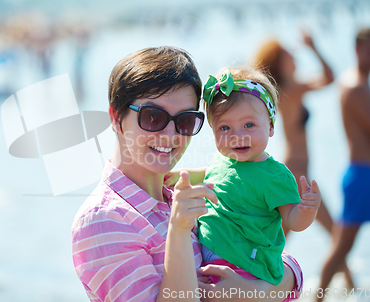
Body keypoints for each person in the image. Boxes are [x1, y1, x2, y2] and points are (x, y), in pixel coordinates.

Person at [72, 46, 303, 302]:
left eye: (184, 120)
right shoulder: (105, 220)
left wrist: (255, 292)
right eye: (152, 117)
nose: (170, 136)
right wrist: (179, 231)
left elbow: (276, 261)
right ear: (116, 117)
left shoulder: (180, 196)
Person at [166, 67, 321, 287]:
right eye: (225, 127)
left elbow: (292, 220)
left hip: (247, 264)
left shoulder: (275, 176)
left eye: (249, 125)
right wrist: (177, 175)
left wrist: (307, 210)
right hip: (211, 255)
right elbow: (209, 174)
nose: (237, 136)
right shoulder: (223, 160)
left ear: (270, 126)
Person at [252, 32, 354, 287]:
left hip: (296, 171)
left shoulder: (289, 88)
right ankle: (339, 289)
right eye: (288, 53)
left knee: (283, 238)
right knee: (334, 231)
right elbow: (330, 77)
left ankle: (261, 282)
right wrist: (314, 46)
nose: (293, 55)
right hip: (298, 173)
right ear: (279, 60)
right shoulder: (291, 89)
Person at [317, 28, 370, 299]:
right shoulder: (355, 85)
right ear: (357, 49)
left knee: (342, 246)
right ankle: (318, 296)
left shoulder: (361, 81)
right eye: (369, 49)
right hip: (364, 176)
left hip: (365, 174)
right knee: (342, 247)